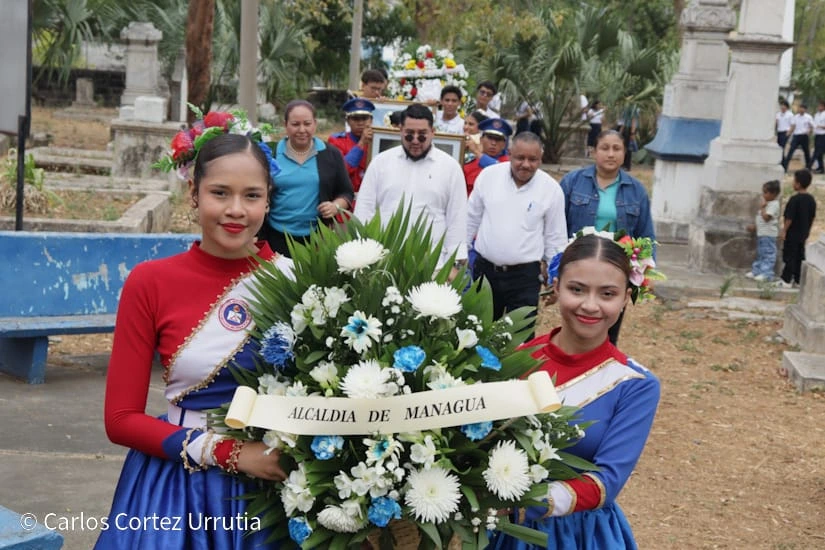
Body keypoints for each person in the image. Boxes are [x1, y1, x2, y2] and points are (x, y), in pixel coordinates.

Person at [96, 133, 293, 549]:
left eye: (252, 195)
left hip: (279, 489)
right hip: (177, 487)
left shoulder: (299, 281)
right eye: (220, 193)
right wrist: (231, 454)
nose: (236, 210)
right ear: (193, 193)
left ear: (268, 200)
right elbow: (120, 419)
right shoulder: (150, 282)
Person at [494, 233, 660, 550]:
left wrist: (521, 506)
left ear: (626, 297)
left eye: (607, 294)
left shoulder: (635, 385)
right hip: (504, 531)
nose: (590, 305)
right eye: (577, 289)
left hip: (579, 535)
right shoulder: (518, 357)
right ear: (556, 287)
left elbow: (606, 483)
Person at [559, 130, 655, 344]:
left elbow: (645, 234)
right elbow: (556, 226)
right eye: (604, 148)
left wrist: (647, 272)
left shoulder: (636, 190)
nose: (610, 154)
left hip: (615, 269)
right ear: (593, 151)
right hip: (580, 266)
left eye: (616, 148)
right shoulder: (572, 183)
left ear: (624, 153)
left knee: (608, 326)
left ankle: (604, 367)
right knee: (575, 320)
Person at [354, 103, 468, 277]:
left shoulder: (450, 168)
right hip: (385, 262)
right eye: (409, 135)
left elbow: (457, 218)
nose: (415, 140)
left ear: (432, 132)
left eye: (422, 136)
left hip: (433, 265)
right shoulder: (380, 163)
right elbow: (364, 210)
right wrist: (362, 256)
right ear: (400, 130)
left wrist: (454, 266)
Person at [467, 132, 567, 319]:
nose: (526, 164)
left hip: (525, 277)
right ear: (510, 153)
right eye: (520, 158)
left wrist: (555, 277)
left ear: (541, 158)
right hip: (485, 272)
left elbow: (555, 237)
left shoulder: (551, 189)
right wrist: (458, 259)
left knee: (521, 338)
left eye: (533, 159)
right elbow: (470, 219)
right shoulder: (489, 177)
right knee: (478, 332)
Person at [263, 99, 354, 257]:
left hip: (317, 239)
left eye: (307, 123)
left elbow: (346, 193)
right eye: (295, 124)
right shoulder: (271, 154)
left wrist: (335, 206)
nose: (302, 129)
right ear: (285, 125)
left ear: (315, 124)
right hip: (275, 236)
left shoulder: (330, 154)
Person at [777, 169, 817, 288]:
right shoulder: (811, 200)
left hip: (792, 232)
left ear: (798, 184)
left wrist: (784, 230)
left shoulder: (795, 200)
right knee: (800, 255)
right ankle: (798, 279)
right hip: (803, 233)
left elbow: (789, 218)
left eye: (794, 181)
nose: (793, 184)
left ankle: (786, 280)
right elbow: (812, 216)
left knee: (790, 255)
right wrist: (808, 230)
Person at [328, 98, 375, 193]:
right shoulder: (336, 141)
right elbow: (341, 170)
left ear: (371, 120)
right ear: (348, 121)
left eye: (364, 118)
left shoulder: (377, 141)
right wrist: (361, 143)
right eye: (355, 119)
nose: (360, 123)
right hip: (346, 196)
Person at [463, 118, 513, 195]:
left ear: (504, 145)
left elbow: (500, 169)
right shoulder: (469, 161)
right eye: (490, 138)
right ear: (481, 139)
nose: (493, 143)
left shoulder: (508, 163)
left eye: (498, 139)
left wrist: (476, 151)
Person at [745, 180, 781, 282]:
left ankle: (767, 273)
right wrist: (755, 227)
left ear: (773, 194)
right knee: (761, 253)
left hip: (768, 234)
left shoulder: (774, 205)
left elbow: (766, 218)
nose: (763, 195)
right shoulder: (767, 205)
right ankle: (757, 270)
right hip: (761, 233)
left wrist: (763, 208)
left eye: (766, 192)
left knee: (768, 254)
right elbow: (761, 220)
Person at [782, 104, 814, 173]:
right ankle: (785, 168)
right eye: (800, 108)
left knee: (806, 152)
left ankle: (808, 168)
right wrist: (788, 133)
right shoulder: (795, 117)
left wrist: (809, 132)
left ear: (805, 110)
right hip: (796, 136)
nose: (801, 110)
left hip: (804, 136)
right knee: (790, 151)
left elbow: (811, 126)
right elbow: (793, 126)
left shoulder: (808, 117)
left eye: (802, 108)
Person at [614, 104, 639, 171]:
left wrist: (632, 133)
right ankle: (623, 164)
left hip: (629, 129)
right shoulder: (627, 107)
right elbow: (624, 121)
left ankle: (627, 165)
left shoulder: (633, 107)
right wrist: (620, 132)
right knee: (624, 147)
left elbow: (634, 120)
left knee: (628, 148)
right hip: (626, 128)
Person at [810, 100, 825, 173]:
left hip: (823, 135)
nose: (819, 107)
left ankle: (808, 166)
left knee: (817, 152)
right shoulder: (816, 114)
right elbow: (814, 124)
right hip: (817, 134)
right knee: (819, 153)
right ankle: (821, 168)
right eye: (818, 106)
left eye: (820, 106)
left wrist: (819, 126)